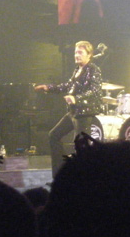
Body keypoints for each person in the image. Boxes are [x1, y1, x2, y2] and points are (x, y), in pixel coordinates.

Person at [34, 41, 102, 178]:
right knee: (53, 135)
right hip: (73, 113)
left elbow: (95, 91)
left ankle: (83, 180)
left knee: (81, 148)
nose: (76, 55)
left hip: (84, 114)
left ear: (89, 55)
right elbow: (67, 86)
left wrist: (77, 99)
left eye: (80, 52)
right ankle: (59, 174)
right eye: (75, 52)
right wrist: (49, 87)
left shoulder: (93, 69)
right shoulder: (77, 70)